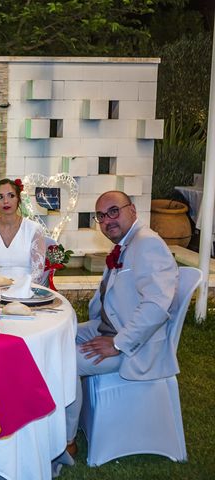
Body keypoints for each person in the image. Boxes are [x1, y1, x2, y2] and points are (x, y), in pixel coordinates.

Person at [62, 190, 179, 461]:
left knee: (66, 360)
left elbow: (157, 305)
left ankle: (66, 440)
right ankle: (56, 414)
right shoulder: (127, 244)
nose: (107, 220)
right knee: (59, 336)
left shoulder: (147, 243)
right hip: (109, 327)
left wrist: (117, 344)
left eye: (114, 211)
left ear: (133, 210)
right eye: (101, 216)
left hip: (137, 346)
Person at [0, 178, 46, 282]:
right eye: (0, 197)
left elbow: (38, 273)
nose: (5, 201)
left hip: (26, 292)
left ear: (18, 198)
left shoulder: (34, 229)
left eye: (11, 195)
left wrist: (16, 286)